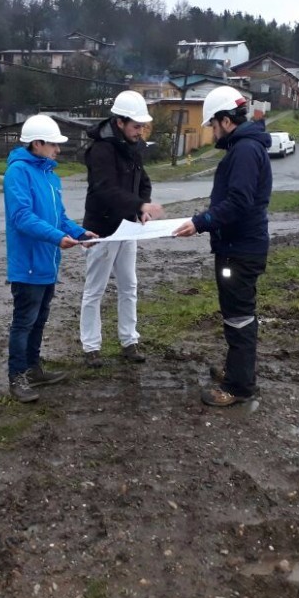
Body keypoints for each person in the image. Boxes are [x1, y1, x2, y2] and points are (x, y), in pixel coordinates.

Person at [173, 86, 272, 407]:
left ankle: (239, 387)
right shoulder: (246, 147)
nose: (212, 132)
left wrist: (202, 221)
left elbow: (239, 202)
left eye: (212, 125)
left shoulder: (244, 150)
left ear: (226, 121)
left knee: (239, 315)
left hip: (240, 250)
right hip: (240, 246)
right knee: (236, 312)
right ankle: (236, 371)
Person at [4, 114, 98, 403]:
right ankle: (16, 376)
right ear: (37, 143)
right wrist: (57, 238)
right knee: (24, 321)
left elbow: (59, 217)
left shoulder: (49, 175)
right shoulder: (18, 173)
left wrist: (81, 233)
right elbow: (22, 218)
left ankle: (33, 368)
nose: (58, 150)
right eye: (54, 145)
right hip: (28, 264)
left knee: (40, 319)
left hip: (47, 263)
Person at [79, 90, 164, 368]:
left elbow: (144, 182)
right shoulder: (100, 150)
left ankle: (129, 340)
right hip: (101, 229)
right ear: (119, 122)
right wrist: (139, 206)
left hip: (129, 228)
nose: (140, 131)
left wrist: (143, 206)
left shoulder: (133, 147)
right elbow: (106, 190)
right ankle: (91, 346)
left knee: (130, 286)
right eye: (136, 126)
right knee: (95, 289)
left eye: (142, 127)